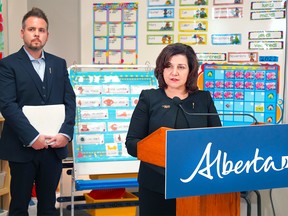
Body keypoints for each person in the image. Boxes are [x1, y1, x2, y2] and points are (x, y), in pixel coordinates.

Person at [125, 43, 221, 216]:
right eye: (168, 66)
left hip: (196, 183)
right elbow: (132, 143)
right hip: (155, 186)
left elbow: (218, 139)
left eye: (181, 67)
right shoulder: (149, 98)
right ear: (161, 69)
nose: (174, 72)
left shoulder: (203, 99)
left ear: (190, 71)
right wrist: (159, 152)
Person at [0, 7, 76, 216]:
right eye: (32, 29)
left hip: (53, 147)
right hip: (22, 147)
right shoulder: (8, 65)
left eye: (41, 30)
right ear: (22, 32)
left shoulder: (58, 64)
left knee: (48, 206)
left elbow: (70, 102)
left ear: (47, 35)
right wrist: (32, 137)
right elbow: (7, 105)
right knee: (19, 206)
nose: (36, 34)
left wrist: (65, 134)